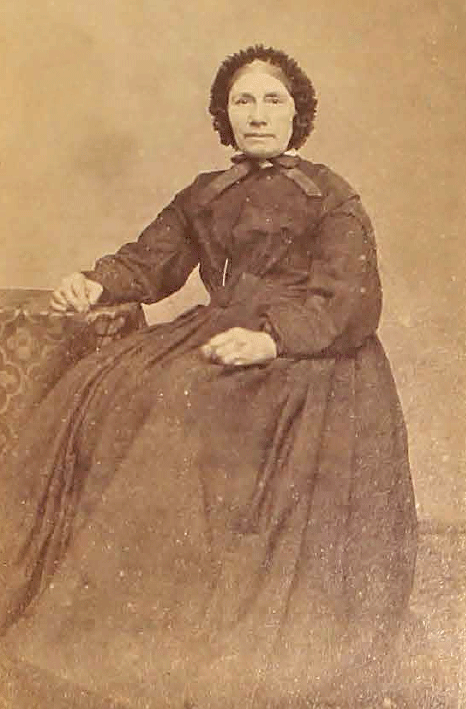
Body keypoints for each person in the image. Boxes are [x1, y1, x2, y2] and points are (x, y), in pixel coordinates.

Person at [0, 45, 417, 708]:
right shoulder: (205, 193)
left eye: (273, 100)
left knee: (188, 404)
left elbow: (351, 299)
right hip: (221, 329)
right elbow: (151, 261)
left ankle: (212, 628)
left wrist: (272, 340)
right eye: (243, 101)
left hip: (311, 354)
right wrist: (95, 282)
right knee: (111, 389)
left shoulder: (331, 197)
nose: (258, 114)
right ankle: (131, 616)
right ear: (225, 115)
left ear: (298, 113)